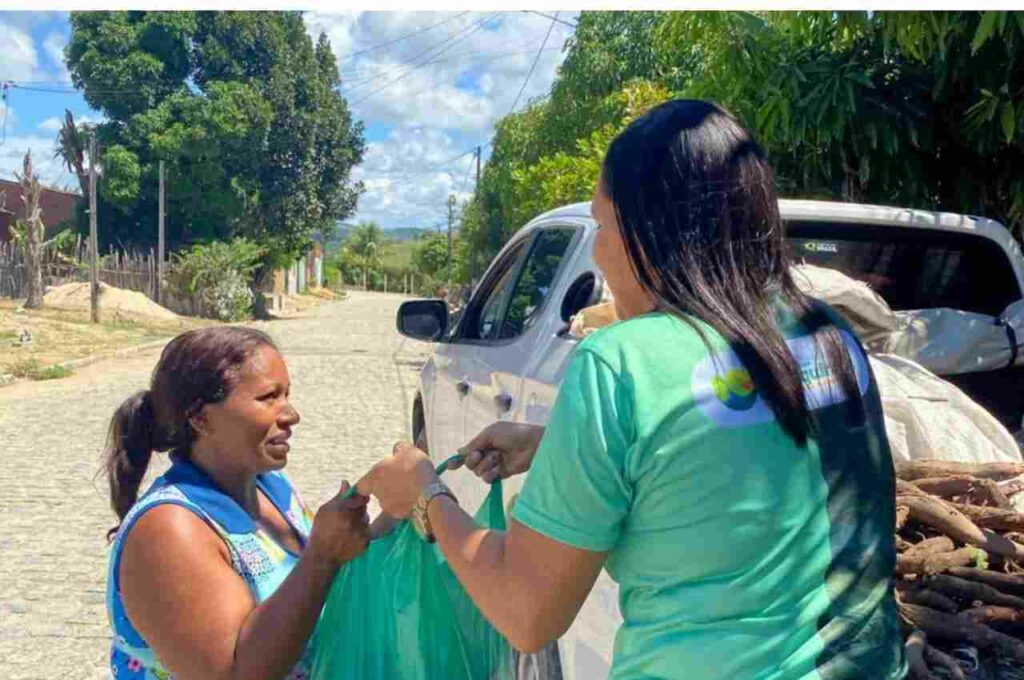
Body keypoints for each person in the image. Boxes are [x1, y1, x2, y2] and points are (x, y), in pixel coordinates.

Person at [357, 100, 906, 679]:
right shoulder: (829, 335)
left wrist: (425, 496)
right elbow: (742, 441)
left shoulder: (620, 362)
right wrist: (555, 442)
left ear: (648, 233)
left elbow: (527, 612)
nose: (598, 250)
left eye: (604, 224)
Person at [104, 327, 372, 680]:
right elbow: (234, 672)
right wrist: (322, 556)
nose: (290, 414)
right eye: (268, 398)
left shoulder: (270, 487)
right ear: (200, 418)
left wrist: (403, 505)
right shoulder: (170, 528)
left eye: (286, 394)